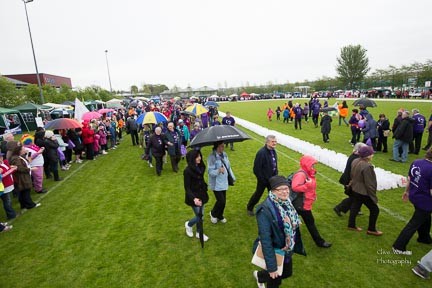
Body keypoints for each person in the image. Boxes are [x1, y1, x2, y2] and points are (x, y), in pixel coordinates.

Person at [253, 175, 303, 288]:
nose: (285, 192)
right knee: (275, 280)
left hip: (287, 249)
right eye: (281, 189)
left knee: (287, 273)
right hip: (276, 251)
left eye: (287, 188)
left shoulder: (287, 202)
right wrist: (272, 267)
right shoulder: (264, 210)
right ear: (273, 191)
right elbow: (266, 240)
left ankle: (260, 276)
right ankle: (263, 277)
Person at [392, 148, 432, 253]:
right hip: (425, 201)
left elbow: (410, 178)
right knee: (415, 222)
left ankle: (424, 238)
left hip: (415, 195)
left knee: (425, 217)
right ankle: (398, 247)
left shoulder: (416, 162)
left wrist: (406, 191)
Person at [291, 155, 332, 248]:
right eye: (312, 164)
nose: (313, 166)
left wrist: (313, 195)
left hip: (304, 203)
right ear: (306, 164)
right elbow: (295, 187)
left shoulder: (308, 173)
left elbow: (311, 188)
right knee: (310, 222)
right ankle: (320, 242)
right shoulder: (301, 175)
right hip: (301, 204)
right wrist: (307, 186)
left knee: (297, 221)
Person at [348, 145, 382, 236]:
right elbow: (370, 184)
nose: (372, 155)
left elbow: (352, 175)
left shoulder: (355, 160)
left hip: (355, 188)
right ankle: (372, 229)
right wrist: (373, 196)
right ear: (367, 156)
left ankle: (351, 225)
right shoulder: (367, 167)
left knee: (355, 206)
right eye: (371, 154)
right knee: (375, 209)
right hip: (363, 191)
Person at [247, 135, 278, 216]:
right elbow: (256, 169)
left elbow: (274, 164)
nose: (275, 143)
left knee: (273, 195)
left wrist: (275, 175)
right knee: (258, 194)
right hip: (263, 180)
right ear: (267, 142)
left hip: (272, 179)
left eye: (275, 141)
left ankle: (272, 210)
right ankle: (250, 207)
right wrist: (263, 180)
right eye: (272, 141)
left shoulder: (273, 151)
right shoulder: (261, 153)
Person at [334, 143, 367, 217]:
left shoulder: (354, 156)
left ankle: (356, 209)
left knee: (357, 197)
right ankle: (339, 208)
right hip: (350, 181)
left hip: (349, 179)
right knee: (355, 197)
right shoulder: (356, 159)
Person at [184, 149, 209, 241]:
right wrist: (194, 198)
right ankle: (189, 224)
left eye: (200, 156)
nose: (200, 158)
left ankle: (199, 232)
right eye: (197, 157)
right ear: (192, 158)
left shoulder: (200, 167)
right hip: (194, 197)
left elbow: (200, 180)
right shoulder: (187, 171)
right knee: (200, 216)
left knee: (201, 215)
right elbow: (187, 187)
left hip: (202, 194)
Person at [208, 141, 235, 224]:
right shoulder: (212, 157)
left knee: (224, 201)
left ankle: (220, 215)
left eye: (223, 146)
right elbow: (210, 172)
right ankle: (213, 213)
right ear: (216, 147)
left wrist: (233, 177)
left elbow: (228, 167)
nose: (222, 148)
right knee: (221, 201)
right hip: (216, 183)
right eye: (221, 146)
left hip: (224, 181)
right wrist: (218, 170)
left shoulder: (225, 154)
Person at [9, 142, 41, 210]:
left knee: (23, 192)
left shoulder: (18, 157)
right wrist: (31, 169)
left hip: (22, 177)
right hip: (22, 177)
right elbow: (20, 168)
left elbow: (25, 163)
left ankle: (23, 205)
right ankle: (30, 205)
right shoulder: (16, 158)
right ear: (19, 151)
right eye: (23, 149)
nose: (25, 150)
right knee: (26, 191)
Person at [0, 152, 17, 219]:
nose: (1, 158)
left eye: (1, 156)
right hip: (4, 186)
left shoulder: (3, 163)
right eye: (0, 157)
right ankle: (11, 215)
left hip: (8, 184)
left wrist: (11, 168)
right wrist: (12, 170)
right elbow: (2, 176)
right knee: (7, 201)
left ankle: (11, 213)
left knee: (8, 200)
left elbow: (8, 170)